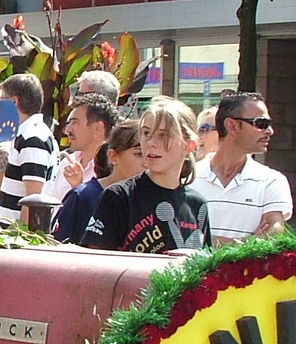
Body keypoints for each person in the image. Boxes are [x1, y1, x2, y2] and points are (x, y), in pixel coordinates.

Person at [81, 97, 210, 253]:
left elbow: (207, 268)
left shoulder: (197, 205)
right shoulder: (119, 196)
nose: (151, 143)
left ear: (188, 145)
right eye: (146, 133)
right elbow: (96, 262)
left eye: (163, 135)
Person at [194, 91, 293, 244]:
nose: (269, 131)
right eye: (261, 123)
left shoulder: (272, 181)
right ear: (231, 126)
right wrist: (244, 243)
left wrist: (206, 242)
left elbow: (274, 236)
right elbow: (179, 237)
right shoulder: (188, 177)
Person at [53, 118, 140, 243]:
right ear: (113, 157)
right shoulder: (83, 196)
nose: (146, 162)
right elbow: (57, 247)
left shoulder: (150, 199)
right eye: (139, 154)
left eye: (151, 155)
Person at [0, 74, 55, 225]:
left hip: (17, 237)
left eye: (1, 100)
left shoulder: (33, 138)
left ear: (14, 101)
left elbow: (33, 199)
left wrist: (20, 237)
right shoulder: (28, 135)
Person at [49, 93, 118, 214]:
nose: (68, 130)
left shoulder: (113, 169)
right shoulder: (67, 163)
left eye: (75, 123)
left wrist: (79, 188)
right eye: (69, 123)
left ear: (97, 128)